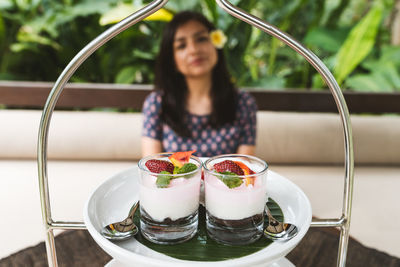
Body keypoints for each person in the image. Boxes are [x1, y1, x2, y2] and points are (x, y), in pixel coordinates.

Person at [141, 11, 257, 157]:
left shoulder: (244, 103)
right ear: (172, 59)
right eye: (182, 46)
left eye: (201, 39)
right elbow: (152, 167)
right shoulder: (156, 103)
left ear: (216, 44)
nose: (194, 50)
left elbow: (244, 168)